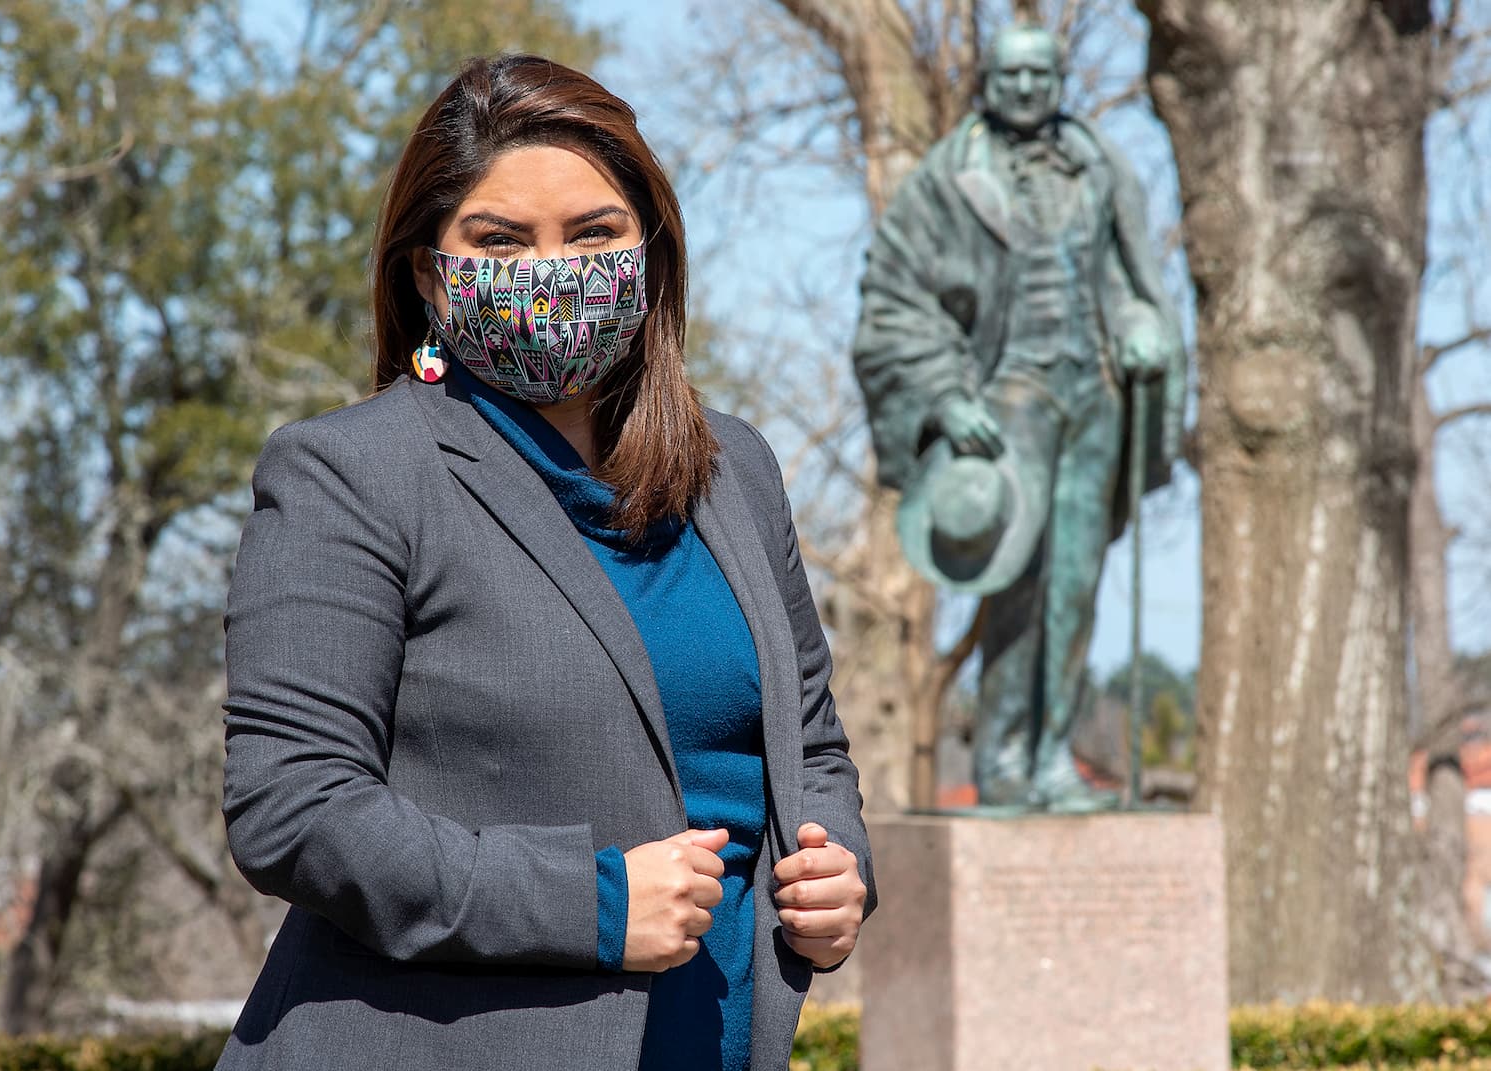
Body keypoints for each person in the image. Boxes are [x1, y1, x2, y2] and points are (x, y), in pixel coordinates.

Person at [218, 54, 873, 1071]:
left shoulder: (733, 468)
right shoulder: (351, 472)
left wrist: (838, 870)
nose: (551, 270)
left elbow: (811, 744)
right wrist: (598, 905)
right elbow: (291, 806)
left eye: (594, 234)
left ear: (649, 252)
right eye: (500, 239)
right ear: (431, 273)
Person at [850, 24, 1186, 810]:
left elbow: (1132, 275)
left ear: (1059, 76)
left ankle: (1054, 757)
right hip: (1009, 402)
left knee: (1075, 580)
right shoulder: (946, 179)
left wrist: (1142, 323)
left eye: (1042, 72)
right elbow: (893, 301)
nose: (1028, 86)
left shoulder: (1100, 165)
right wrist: (946, 393)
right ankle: (1003, 758)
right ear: (989, 81)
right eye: (1012, 73)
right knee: (1018, 580)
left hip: (1093, 393)